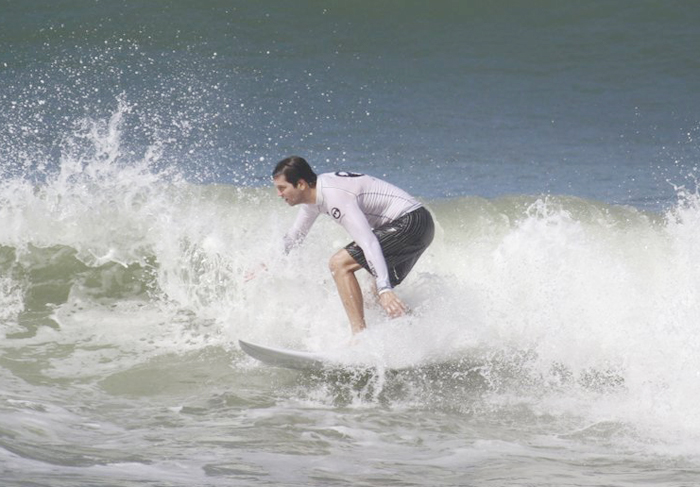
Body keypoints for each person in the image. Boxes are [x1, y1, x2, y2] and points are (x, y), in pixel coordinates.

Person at [272, 156, 434, 334]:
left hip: (411, 222)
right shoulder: (315, 197)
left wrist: (385, 288)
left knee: (339, 264)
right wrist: (270, 261)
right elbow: (295, 236)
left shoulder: (334, 196)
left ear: (301, 184)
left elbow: (369, 242)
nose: (279, 194)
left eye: (282, 188)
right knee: (373, 298)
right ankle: (420, 333)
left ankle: (359, 337)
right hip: (419, 225)